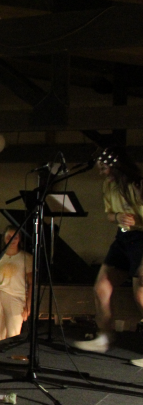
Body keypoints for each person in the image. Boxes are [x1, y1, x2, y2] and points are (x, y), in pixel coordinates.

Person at [75, 147, 143, 355]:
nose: (101, 172)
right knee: (101, 288)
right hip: (124, 238)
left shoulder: (137, 184)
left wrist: (135, 218)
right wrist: (119, 217)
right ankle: (103, 337)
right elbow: (110, 215)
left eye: (104, 167)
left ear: (116, 165)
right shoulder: (108, 185)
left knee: (141, 292)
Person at [0, 226, 33, 342]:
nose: (12, 240)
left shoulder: (27, 258)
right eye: (9, 237)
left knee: (13, 332)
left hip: (17, 297)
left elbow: (31, 283)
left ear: (19, 239)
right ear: (4, 239)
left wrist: (28, 305)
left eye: (15, 237)